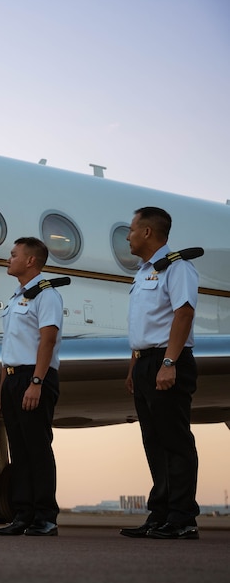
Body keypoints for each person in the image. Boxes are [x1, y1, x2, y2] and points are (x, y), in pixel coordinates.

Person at [122, 206, 200, 540]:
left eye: (132, 228)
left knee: (174, 441)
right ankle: (160, 514)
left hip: (168, 362)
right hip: (145, 363)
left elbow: (183, 314)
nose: (128, 235)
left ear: (148, 233)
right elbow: (143, 325)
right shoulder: (144, 272)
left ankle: (182, 518)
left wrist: (169, 363)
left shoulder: (178, 267)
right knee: (154, 442)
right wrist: (134, 366)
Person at [0, 237, 63, 537]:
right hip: (13, 379)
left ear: (30, 260)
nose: (9, 259)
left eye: (13, 255)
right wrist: (2, 387)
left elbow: (48, 340)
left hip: (34, 378)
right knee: (20, 451)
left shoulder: (47, 295)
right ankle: (23, 515)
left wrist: (36, 382)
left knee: (37, 449)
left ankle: (45, 517)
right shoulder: (15, 298)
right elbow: (11, 347)